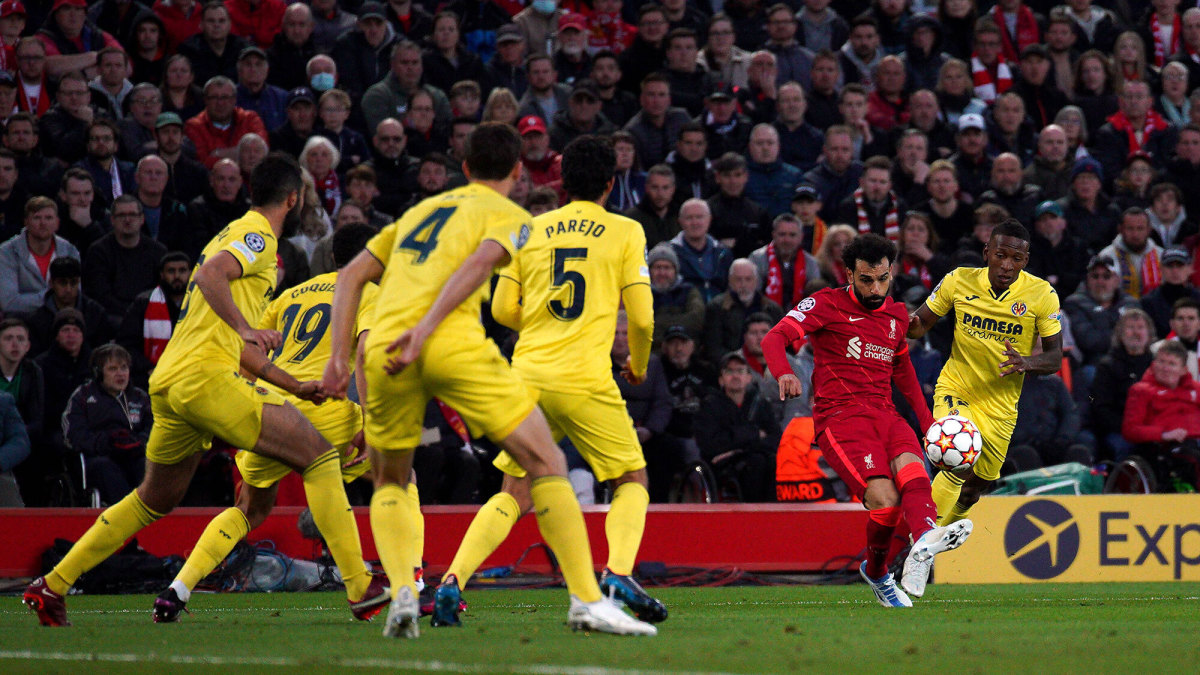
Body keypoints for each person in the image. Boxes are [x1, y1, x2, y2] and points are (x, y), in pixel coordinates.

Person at [321, 124, 655, 637]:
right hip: (509, 359)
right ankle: (601, 588)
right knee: (582, 470)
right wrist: (427, 328)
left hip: (399, 350)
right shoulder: (525, 219)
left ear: (467, 168)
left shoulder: (420, 216)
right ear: (520, 171)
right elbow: (483, 267)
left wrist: (337, 360)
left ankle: (420, 587)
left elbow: (353, 277)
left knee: (410, 482)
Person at [24, 154, 368, 629]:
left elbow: (240, 342)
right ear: (294, 197)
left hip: (172, 381)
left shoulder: (234, 235)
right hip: (207, 378)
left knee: (153, 500)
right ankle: (360, 588)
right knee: (320, 455)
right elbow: (209, 278)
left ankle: (52, 584)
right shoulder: (258, 236)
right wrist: (247, 326)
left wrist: (293, 386)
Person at [432, 134, 666, 628]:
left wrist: (542, 325)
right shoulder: (625, 231)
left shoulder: (528, 229)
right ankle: (618, 572)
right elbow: (642, 320)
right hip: (585, 378)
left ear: (561, 182)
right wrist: (639, 366)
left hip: (527, 376)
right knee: (631, 479)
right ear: (610, 183)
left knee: (514, 490)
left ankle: (452, 580)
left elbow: (500, 309)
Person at [157, 223, 388, 621]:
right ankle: (407, 581)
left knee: (250, 507)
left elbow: (246, 350)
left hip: (276, 410)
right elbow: (366, 353)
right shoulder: (369, 291)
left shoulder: (292, 293)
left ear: (333, 257)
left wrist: (241, 407)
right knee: (398, 475)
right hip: (327, 408)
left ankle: (177, 590)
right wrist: (371, 418)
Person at [763, 233, 969, 607]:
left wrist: (928, 426)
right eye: (867, 280)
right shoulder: (824, 304)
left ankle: (923, 541)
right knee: (886, 503)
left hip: (886, 415)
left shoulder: (896, 315)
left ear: (891, 273)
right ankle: (877, 572)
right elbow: (773, 339)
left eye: (883, 279)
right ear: (849, 274)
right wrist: (783, 373)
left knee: (916, 476)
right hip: (841, 419)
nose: (876, 288)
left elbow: (904, 371)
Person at [907, 220, 1062, 580]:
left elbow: (1054, 358)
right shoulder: (959, 280)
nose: (1007, 265)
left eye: (1016, 258)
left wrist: (1028, 362)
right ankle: (919, 549)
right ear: (987, 254)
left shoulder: (1041, 294)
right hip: (957, 388)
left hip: (1001, 406)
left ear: (1025, 260)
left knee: (976, 485)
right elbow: (920, 324)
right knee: (956, 458)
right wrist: (893, 317)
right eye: (1001, 255)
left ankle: (933, 541)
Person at [62, 344, 151, 507]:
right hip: (100, 456)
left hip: (134, 453)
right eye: (113, 369)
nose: (120, 374)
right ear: (99, 372)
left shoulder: (140, 397)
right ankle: (127, 513)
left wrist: (138, 443)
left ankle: (154, 516)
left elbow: (155, 429)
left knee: (148, 467)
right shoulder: (82, 396)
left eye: (124, 368)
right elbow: (73, 435)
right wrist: (107, 442)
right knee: (104, 467)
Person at [84, 196, 168, 333]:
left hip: (150, 315)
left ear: (142, 219)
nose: (127, 220)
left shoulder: (158, 252)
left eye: (132, 215)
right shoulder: (98, 251)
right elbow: (99, 295)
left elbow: (162, 291)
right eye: (121, 215)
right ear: (112, 219)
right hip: (111, 318)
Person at [117, 251, 190, 391]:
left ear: (191, 273)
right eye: (171, 271)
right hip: (150, 377)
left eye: (182, 271)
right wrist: (149, 367)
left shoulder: (200, 303)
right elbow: (127, 345)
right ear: (161, 274)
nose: (177, 276)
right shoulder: (143, 303)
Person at [1090, 307, 1156, 461]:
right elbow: (1101, 408)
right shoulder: (1107, 366)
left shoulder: (1158, 364)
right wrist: (1130, 428)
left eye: (1140, 328)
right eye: (1130, 328)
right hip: (1120, 430)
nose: (1136, 333)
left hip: (1153, 427)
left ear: (1149, 333)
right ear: (1120, 333)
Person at [0, 196, 81, 317]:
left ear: (57, 223)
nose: (43, 223)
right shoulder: (6, 252)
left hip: (60, 320)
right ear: (26, 222)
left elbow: (75, 296)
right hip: (22, 321)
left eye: (48, 218)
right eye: (37, 217)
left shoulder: (70, 251)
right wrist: (53, 297)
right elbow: (9, 302)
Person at [1122, 340, 1200, 451]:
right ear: (1153, 365)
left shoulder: (1196, 389)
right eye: (1161, 362)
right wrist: (1163, 434)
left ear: (1183, 370)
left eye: (1172, 364)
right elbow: (1130, 430)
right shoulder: (1141, 391)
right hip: (1166, 449)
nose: (1165, 368)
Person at [704, 259, 785, 366]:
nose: (743, 284)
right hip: (730, 367)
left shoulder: (772, 309)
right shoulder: (716, 308)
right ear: (730, 281)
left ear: (756, 281)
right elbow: (713, 348)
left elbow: (782, 344)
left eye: (748, 279)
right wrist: (738, 364)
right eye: (738, 280)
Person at [184, 75, 268, 168]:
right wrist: (243, 154)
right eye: (214, 97)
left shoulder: (250, 119)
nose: (220, 103)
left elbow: (262, 150)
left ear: (234, 100)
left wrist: (218, 153)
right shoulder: (193, 126)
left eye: (225, 97)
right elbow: (203, 162)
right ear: (205, 100)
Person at [749, 214, 822, 311]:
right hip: (765, 315)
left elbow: (816, 298)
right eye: (782, 234)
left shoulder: (811, 262)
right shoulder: (757, 259)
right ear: (773, 235)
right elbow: (752, 295)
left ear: (801, 237)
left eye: (792, 235)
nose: (787, 240)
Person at [670, 199, 732, 303]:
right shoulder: (669, 253)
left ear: (709, 219)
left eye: (699, 217)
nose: (695, 223)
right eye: (689, 218)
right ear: (680, 221)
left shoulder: (723, 253)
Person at [648, 242, 704, 346]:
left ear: (675, 270)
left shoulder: (689, 291)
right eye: (657, 267)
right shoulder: (643, 293)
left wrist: (659, 322)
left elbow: (696, 319)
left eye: (667, 268)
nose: (662, 273)